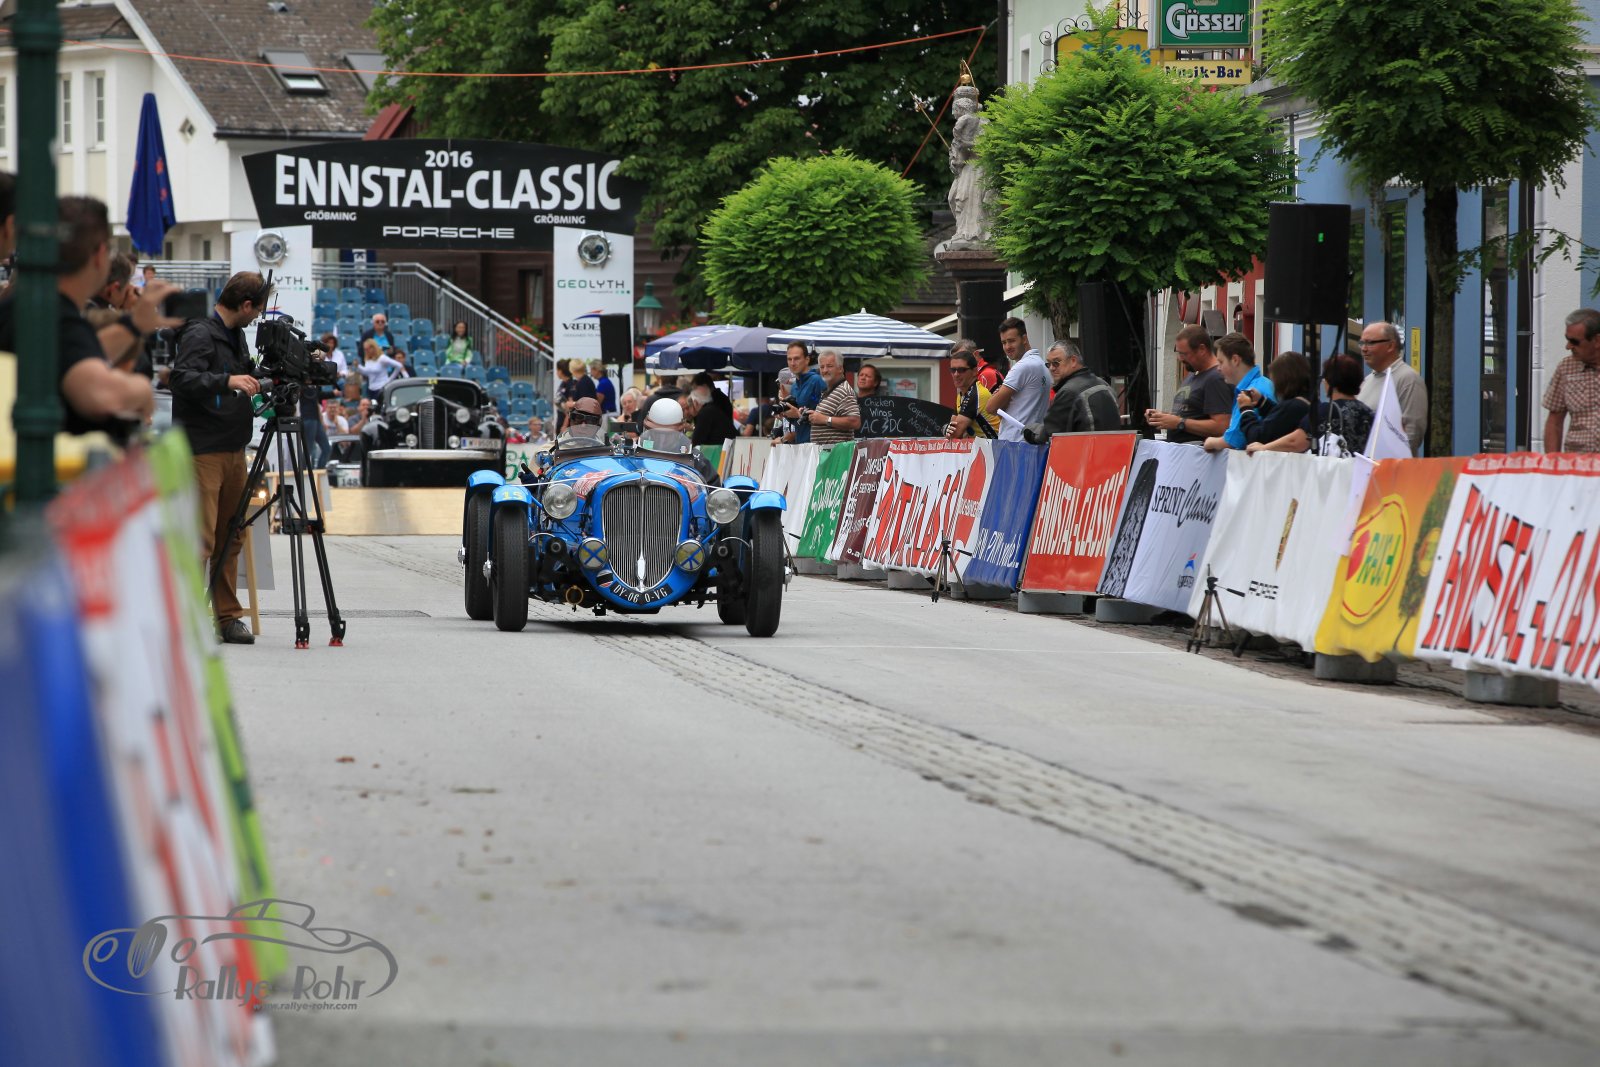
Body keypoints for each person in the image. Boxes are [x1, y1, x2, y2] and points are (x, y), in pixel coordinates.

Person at [0, 195, 155, 439]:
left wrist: (132, 327)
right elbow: (100, 396)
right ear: (100, 254)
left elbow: (70, 355)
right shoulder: (56, 317)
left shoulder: (22, 306)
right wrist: (142, 389)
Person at [169, 270, 268, 646]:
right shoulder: (200, 332)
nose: (257, 318)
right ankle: (187, 618)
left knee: (232, 536)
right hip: (203, 451)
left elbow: (242, 376)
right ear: (245, 305)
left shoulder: (235, 334)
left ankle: (227, 617)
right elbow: (182, 379)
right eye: (257, 310)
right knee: (201, 540)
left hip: (234, 448)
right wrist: (227, 381)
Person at [1143, 325, 1233, 445]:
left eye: (1184, 354)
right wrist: (1164, 417)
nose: (1180, 358)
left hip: (1200, 453)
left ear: (1202, 349)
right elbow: (1191, 415)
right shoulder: (1193, 374)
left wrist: (1179, 423)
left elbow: (1222, 426)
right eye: (1178, 353)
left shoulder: (1216, 378)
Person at [1023, 339, 1120, 442]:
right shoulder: (1104, 385)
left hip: (1086, 449)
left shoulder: (1068, 392)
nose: (1051, 368)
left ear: (1073, 361)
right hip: (1112, 449)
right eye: (1048, 364)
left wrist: (1030, 431)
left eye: (1056, 363)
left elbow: (1049, 433)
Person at [1355, 321, 1427, 453]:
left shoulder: (1408, 379)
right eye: (1362, 343)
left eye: (1370, 343)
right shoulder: (1368, 380)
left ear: (1390, 346)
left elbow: (1412, 434)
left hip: (1390, 464)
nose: (1364, 349)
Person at [1202, 333, 1275, 452]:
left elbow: (1233, 440)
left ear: (1235, 360)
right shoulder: (1262, 384)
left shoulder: (1252, 390)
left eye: (1221, 362)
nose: (1218, 368)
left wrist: (1210, 442)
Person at [1544, 308, 1600, 453]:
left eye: (1574, 341)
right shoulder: (1566, 368)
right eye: (1567, 340)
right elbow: (1554, 421)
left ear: (1597, 340)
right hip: (1578, 461)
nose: (1568, 346)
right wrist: (1553, 461)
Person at [985, 317, 1050, 442]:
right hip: (1033, 441)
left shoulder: (1022, 367)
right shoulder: (1041, 364)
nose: (1007, 347)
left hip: (1015, 443)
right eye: (1004, 342)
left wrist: (999, 396)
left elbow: (990, 407)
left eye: (1011, 341)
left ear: (1024, 339)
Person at [1239, 352, 1315, 455]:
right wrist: (1262, 403)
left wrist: (1246, 410)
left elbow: (1258, 437)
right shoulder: (1309, 404)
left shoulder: (1291, 407)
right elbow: (1281, 423)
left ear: (1281, 381)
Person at [805, 350, 861, 446]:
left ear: (840, 369)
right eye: (822, 367)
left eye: (829, 366)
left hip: (837, 453)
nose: (825, 370)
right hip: (827, 452)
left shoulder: (844, 391)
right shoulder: (829, 390)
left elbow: (855, 422)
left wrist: (825, 419)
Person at [945, 347, 1000, 439]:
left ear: (974, 371)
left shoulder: (976, 394)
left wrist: (945, 428)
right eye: (953, 370)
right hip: (984, 445)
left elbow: (954, 434)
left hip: (995, 445)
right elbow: (952, 427)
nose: (956, 374)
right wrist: (947, 429)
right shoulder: (961, 395)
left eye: (961, 370)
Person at [776, 342, 825, 443]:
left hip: (817, 444)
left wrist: (797, 414)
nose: (793, 363)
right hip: (801, 445)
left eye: (797, 358)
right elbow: (797, 422)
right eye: (789, 359)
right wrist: (785, 414)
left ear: (807, 360)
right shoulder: (794, 386)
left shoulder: (817, 381)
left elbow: (826, 415)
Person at [685, 374, 736, 446]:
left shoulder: (706, 412)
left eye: (695, 388)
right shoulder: (711, 407)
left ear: (695, 402)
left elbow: (697, 441)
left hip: (722, 447)